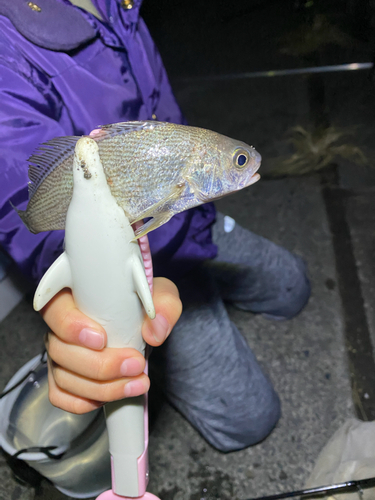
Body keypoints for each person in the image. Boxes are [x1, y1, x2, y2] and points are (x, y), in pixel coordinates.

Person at [0, 0, 310, 453]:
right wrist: (89, 292)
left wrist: (198, 196)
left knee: (295, 286)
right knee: (251, 419)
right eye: (238, 161)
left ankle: (209, 272)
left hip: (193, 218)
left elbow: (164, 117)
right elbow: (19, 204)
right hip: (145, 266)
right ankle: (159, 359)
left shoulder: (121, 4)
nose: (247, 163)